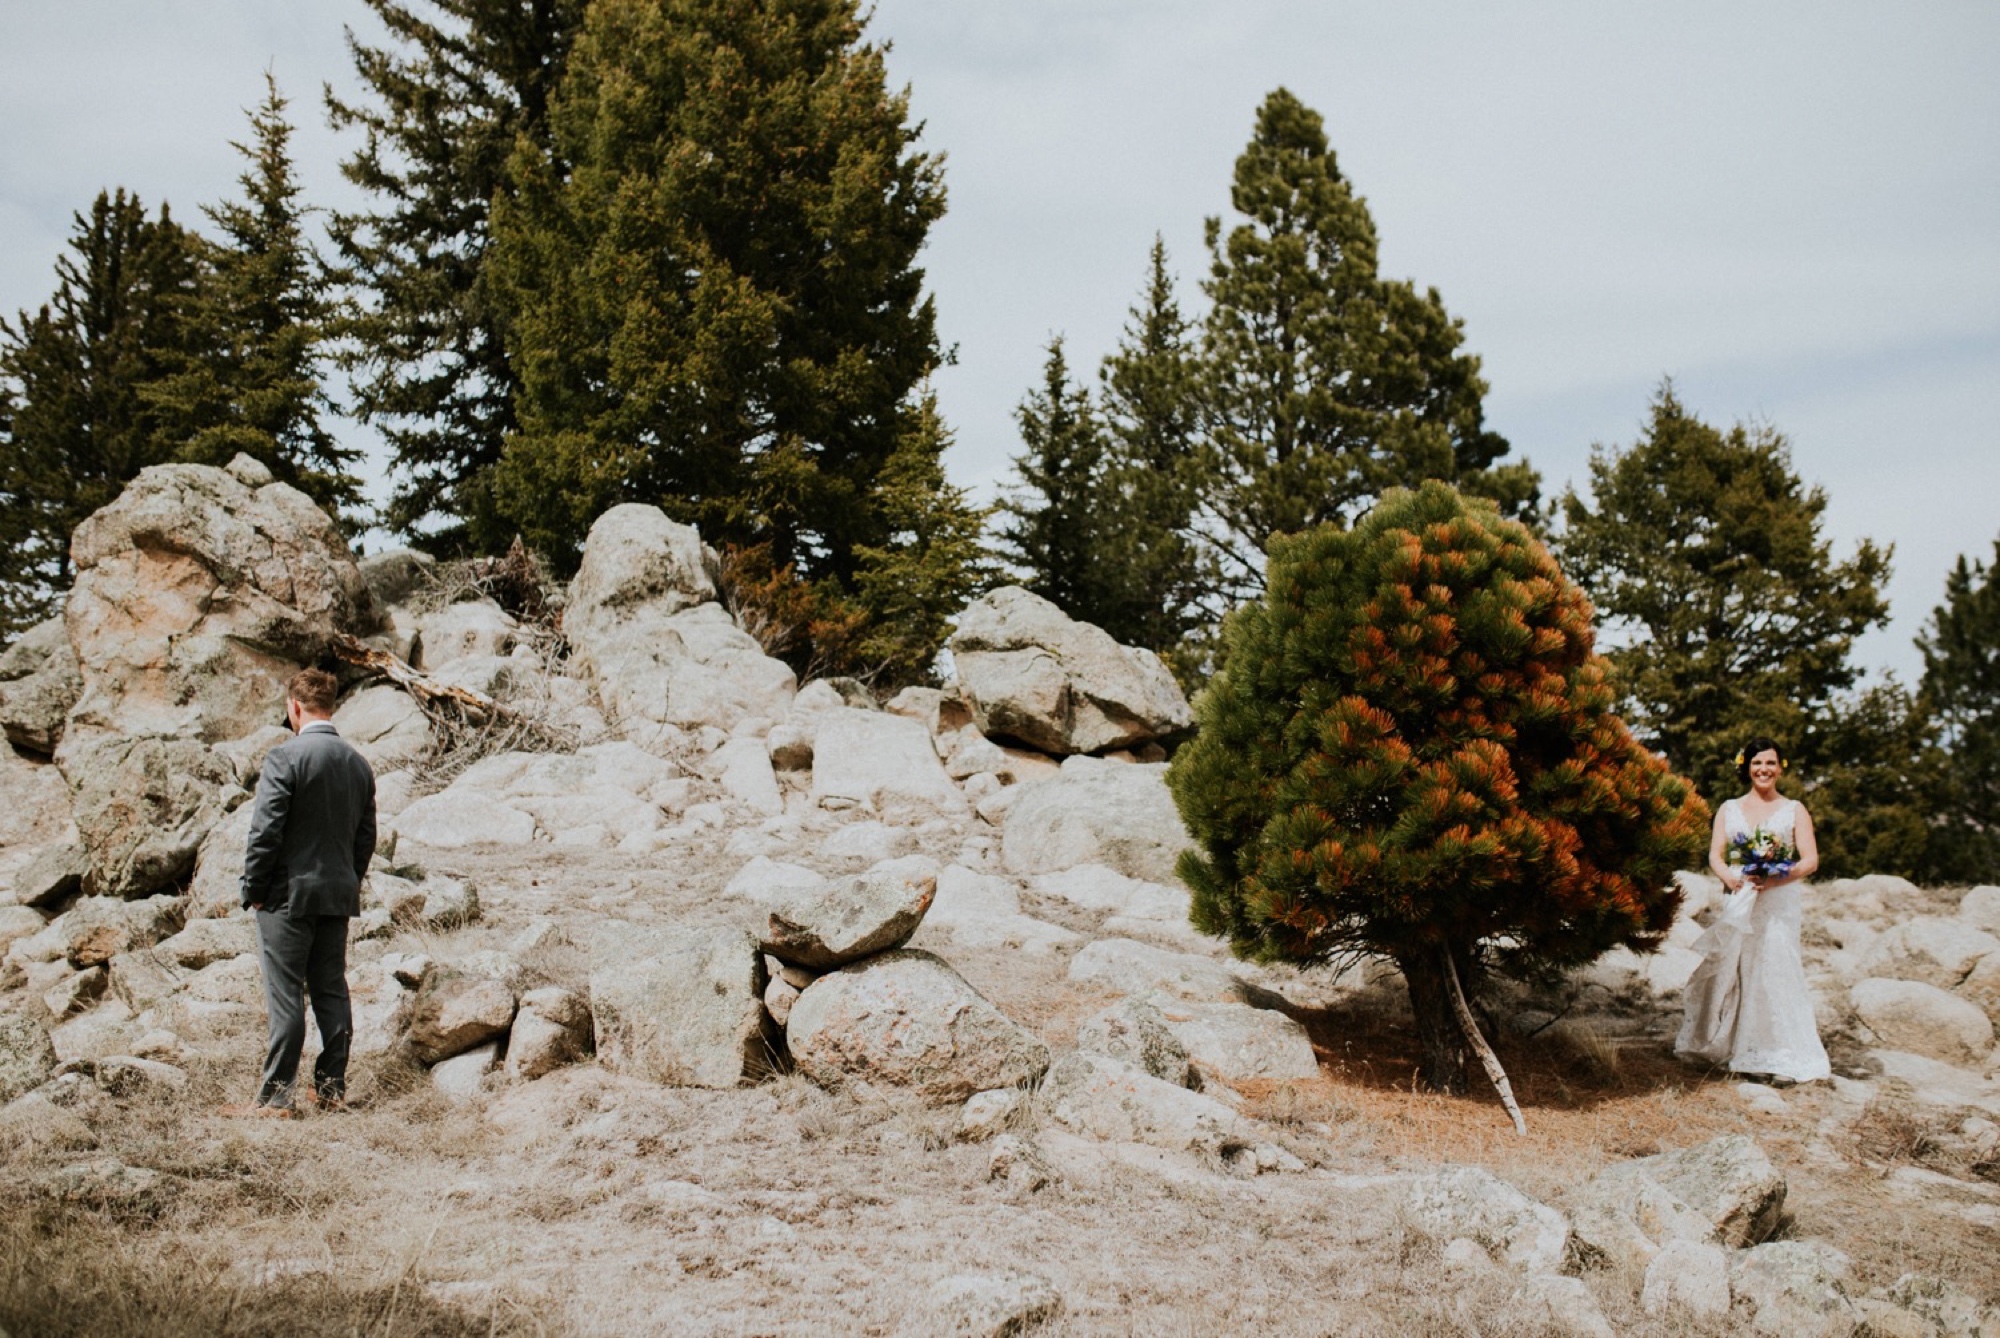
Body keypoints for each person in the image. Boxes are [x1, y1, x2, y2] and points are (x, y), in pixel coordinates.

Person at [221, 667, 377, 1119]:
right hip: (337, 895)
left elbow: (265, 832)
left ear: (294, 707)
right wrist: (349, 879)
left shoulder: (284, 758)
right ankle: (330, 1089)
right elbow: (365, 837)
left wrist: (254, 888)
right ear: (332, 706)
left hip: (287, 896)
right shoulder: (357, 763)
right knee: (331, 990)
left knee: (286, 995)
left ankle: (275, 1100)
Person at [1674, 736, 1831, 1085]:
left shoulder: (1794, 809)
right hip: (1740, 897)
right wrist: (1731, 878)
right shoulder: (1729, 808)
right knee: (1738, 967)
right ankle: (1740, 1048)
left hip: (1778, 901)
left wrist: (1775, 879)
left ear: (1781, 767)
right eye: (1757, 763)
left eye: (1771, 763)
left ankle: (1782, 1053)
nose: (1764, 769)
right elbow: (1715, 854)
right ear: (1746, 767)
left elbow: (1810, 861)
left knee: (1776, 966)